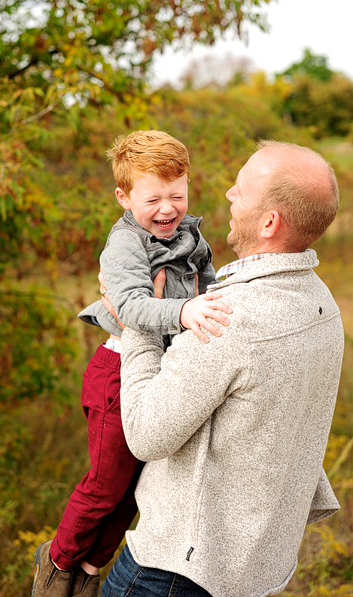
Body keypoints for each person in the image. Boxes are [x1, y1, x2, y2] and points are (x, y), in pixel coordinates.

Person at [101, 141, 343, 597]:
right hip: (254, 567)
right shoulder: (322, 305)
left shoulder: (230, 319)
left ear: (269, 222)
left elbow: (146, 434)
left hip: (175, 573)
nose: (229, 193)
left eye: (243, 189)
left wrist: (134, 320)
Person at [33, 130, 231, 597]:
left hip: (162, 374)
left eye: (177, 195)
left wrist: (223, 298)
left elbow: (211, 282)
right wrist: (184, 311)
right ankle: (57, 561)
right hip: (118, 372)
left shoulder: (191, 235)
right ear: (124, 197)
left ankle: (86, 569)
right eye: (153, 199)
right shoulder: (124, 245)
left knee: (134, 492)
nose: (167, 209)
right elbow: (132, 307)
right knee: (106, 485)